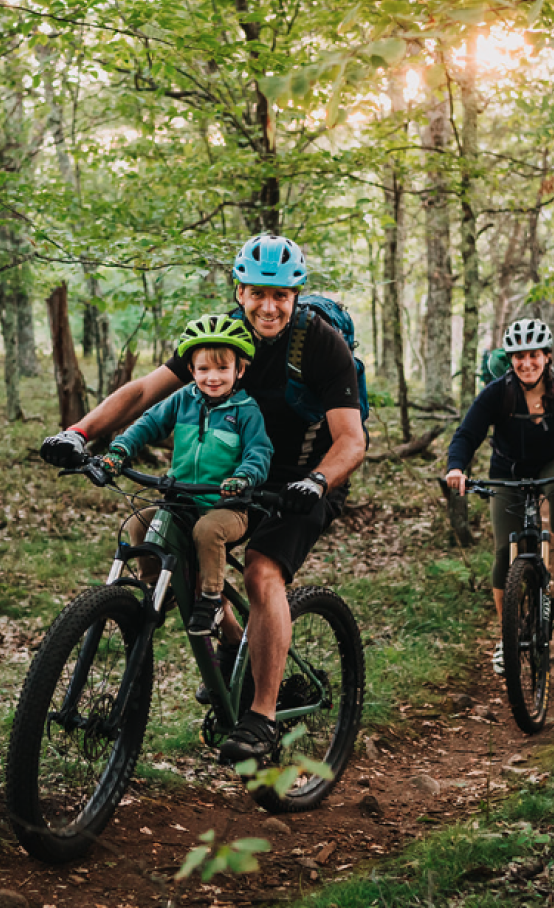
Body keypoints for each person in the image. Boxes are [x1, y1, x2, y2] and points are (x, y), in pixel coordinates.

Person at [41, 233, 367, 763]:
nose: (269, 305)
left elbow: (351, 441)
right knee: (149, 533)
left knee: (262, 571)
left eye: (281, 295)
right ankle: (234, 639)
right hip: (225, 471)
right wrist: (80, 432)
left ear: (296, 295)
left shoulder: (322, 344)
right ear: (239, 291)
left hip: (303, 477)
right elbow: (148, 391)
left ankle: (261, 717)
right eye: (258, 292)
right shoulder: (218, 337)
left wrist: (316, 482)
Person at [443, 318, 554, 675]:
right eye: (518, 357)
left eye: (533, 356)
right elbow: (468, 432)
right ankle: (507, 639)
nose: (526, 363)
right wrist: (456, 467)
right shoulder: (498, 392)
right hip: (509, 471)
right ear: (510, 360)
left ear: (547, 357)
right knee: (504, 551)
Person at [101, 315, 272, 637]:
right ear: (191, 371)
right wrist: (120, 451)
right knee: (141, 521)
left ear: (240, 370)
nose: (213, 377)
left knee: (208, 531)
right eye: (204, 369)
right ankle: (155, 588)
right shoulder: (182, 400)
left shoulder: (246, 411)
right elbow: (147, 424)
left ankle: (210, 599)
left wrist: (244, 477)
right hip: (180, 502)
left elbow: (259, 453)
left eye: (223, 369)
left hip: (228, 507)